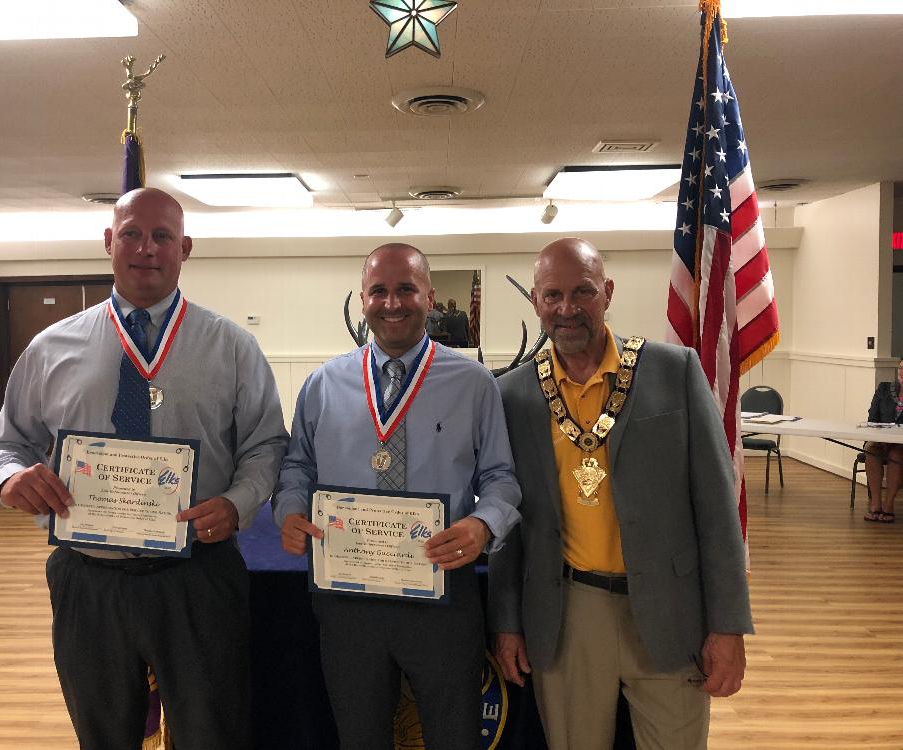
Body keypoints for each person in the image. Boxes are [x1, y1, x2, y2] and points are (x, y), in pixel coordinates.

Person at [0, 188, 288, 750]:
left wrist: (238, 503)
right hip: (88, 579)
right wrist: (11, 478)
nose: (146, 248)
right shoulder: (51, 348)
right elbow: (4, 445)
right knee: (103, 734)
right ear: (108, 242)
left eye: (162, 236)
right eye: (131, 234)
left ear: (185, 248)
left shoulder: (233, 348)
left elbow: (266, 447)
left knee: (212, 732)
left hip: (198, 578)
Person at [488, 237, 752, 750]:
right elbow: (508, 520)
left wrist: (728, 625)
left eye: (582, 292)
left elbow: (718, 510)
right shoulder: (513, 394)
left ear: (606, 292)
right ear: (535, 302)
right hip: (566, 613)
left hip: (670, 610)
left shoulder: (673, 372)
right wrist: (506, 622)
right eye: (552, 296)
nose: (567, 309)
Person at [273, 243, 521, 750]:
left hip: (444, 597)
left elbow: (501, 477)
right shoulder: (323, 384)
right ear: (361, 299)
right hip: (348, 600)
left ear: (430, 296)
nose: (392, 303)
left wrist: (483, 524)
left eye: (406, 289)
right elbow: (297, 465)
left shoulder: (473, 384)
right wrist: (291, 508)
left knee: (455, 736)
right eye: (379, 291)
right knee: (360, 737)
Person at [862, 358, 903, 523]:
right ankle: (875, 504)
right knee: (871, 450)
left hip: (900, 445)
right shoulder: (884, 389)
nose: (902, 373)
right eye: (901, 368)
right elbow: (872, 418)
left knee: (896, 455)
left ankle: (889, 505)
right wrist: (880, 436)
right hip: (880, 439)